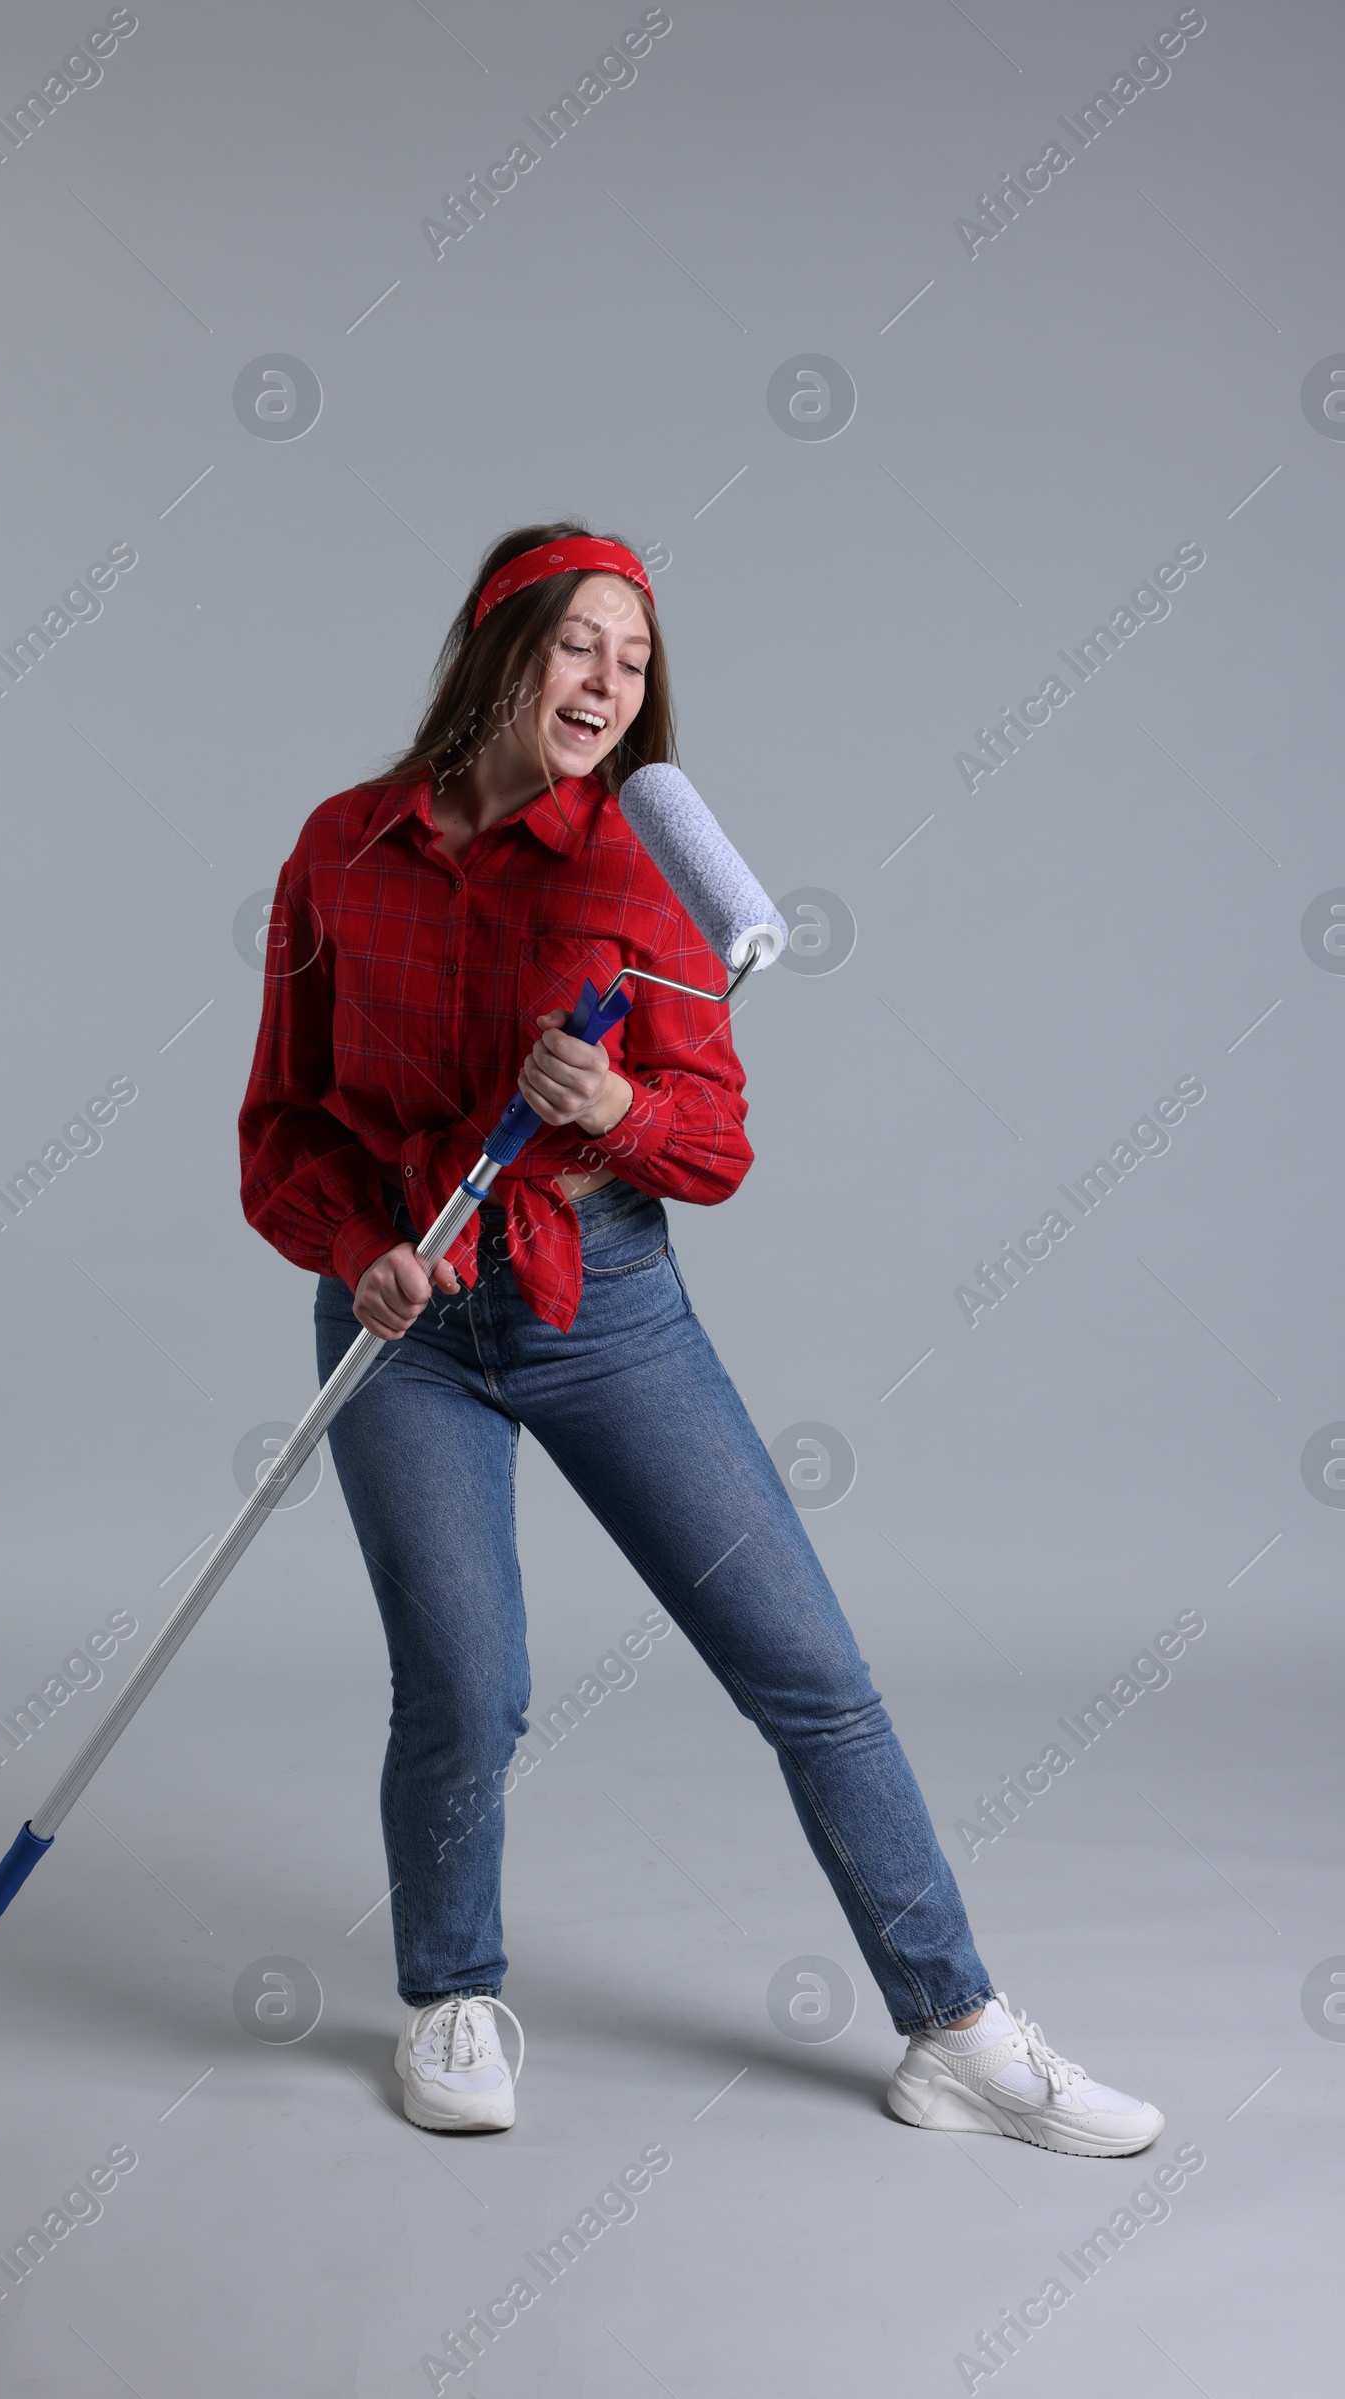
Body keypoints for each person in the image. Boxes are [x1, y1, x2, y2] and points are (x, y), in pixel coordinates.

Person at [238, 521, 1164, 2158]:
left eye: (636, 658)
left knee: (807, 1672)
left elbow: (718, 1145)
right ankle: (452, 1997)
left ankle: (953, 2028)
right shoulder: (338, 851)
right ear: (497, 644)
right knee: (465, 1685)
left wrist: (620, 1106)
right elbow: (283, 1121)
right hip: (410, 1320)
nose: (609, 681)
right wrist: (360, 1248)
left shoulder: (644, 866)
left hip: (604, 1308)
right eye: (581, 643)